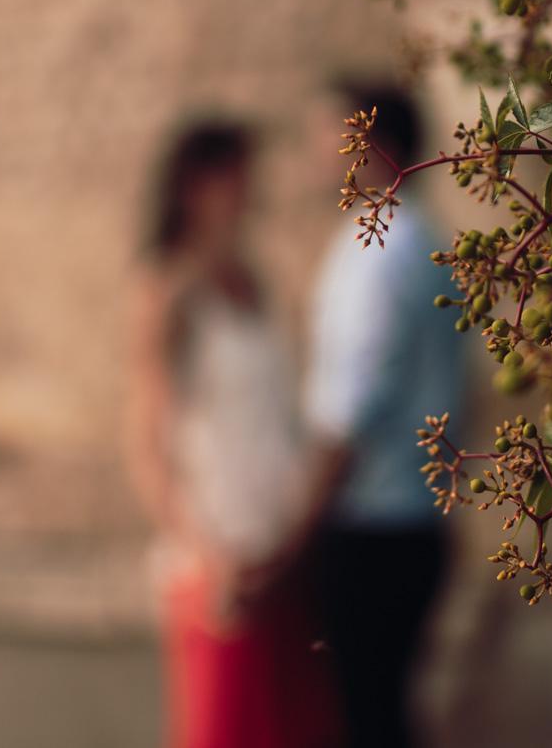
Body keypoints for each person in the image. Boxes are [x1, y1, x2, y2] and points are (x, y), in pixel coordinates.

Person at [125, 121, 338, 748]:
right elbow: (147, 442)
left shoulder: (258, 279)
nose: (249, 189)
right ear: (196, 183)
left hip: (281, 552)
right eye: (234, 173)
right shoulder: (166, 290)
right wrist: (204, 554)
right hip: (218, 564)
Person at [293, 81, 467, 748]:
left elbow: (349, 414)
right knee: (382, 710)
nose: (314, 150)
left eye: (328, 133)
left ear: (377, 146)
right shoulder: (418, 237)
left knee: (365, 717)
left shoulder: (381, 251)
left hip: (372, 526)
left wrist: (294, 531)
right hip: (411, 522)